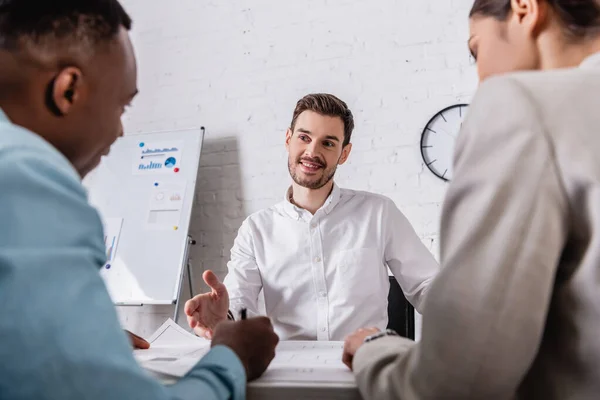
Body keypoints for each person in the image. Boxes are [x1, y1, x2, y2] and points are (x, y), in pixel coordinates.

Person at [0, 1, 278, 399]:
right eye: (121, 105)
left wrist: (74, 337)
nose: (118, 132)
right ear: (68, 91)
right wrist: (232, 357)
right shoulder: (29, 183)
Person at [342, 0, 600, 398]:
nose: (481, 78)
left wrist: (375, 348)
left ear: (525, 8)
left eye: (476, 50)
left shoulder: (521, 104)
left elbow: (454, 385)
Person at [185, 93, 440, 341]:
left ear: (344, 153)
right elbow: (239, 299)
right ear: (288, 139)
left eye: (328, 143)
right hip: (287, 370)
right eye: (304, 137)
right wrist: (223, 317)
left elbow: (425, 284)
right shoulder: (256, 229)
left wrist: (465, 313)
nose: (312, 151)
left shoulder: (379, 213)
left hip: (363, 367)